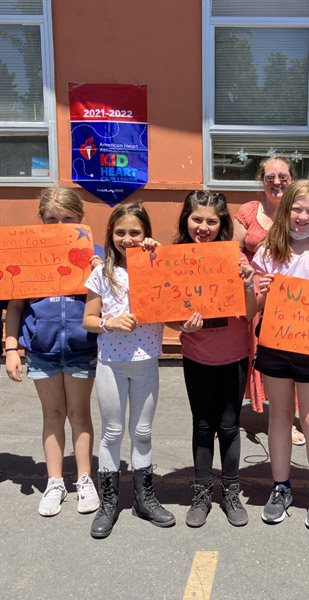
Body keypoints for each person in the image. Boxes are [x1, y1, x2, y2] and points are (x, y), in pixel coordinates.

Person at [252, 179, 309, 529]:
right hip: (275, 346)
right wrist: (257, 289)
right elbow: (255, 307)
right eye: (297, 208)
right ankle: (280, 488)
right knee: (279, 416)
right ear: (285, 210)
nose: (303, 216)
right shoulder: (267, 251)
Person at [4, 187, 101, 518]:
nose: (59, 225)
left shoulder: (94, 254)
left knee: (79, 415)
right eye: (52, 219)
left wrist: (100, 270)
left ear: (80, 219)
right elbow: (15, 307)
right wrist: (12, 347)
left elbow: (116, 294)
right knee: (52, 415)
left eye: (68, 219)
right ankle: (55, 480)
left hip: (80, 347)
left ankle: (85, 479)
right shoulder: (26, 257)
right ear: (41, 220)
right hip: (41, 350)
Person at [83, 201, 175, 538]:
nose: (127, 238)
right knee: (112, 432)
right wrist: (110, 322)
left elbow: (176, 280)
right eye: (120, 232)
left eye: (135, 232)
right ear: (110, 234)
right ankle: (109, 502)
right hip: (111, 363)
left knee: (143, 431)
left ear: (146, 234)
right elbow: (88, 320)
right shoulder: (102, 273)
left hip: (147, 360)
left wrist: (157, 253)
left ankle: (144, 498)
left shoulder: (155, 264)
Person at [170, 191, 258, 528]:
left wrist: (248, 282)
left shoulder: (235, 258)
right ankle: (202, 491)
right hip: (197, 355)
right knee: (203, 426)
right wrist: (182, 326)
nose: (203, 226)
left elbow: (250, 313)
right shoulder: (175, 256)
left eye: (211, 221)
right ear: (186, 220)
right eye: (197, 219)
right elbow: (165, 310)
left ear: (222, 224)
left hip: (233, 355)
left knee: (229, 426)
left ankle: (231, 491)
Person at [234, 156, 305, 446]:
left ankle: (285, 420)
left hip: (288, 301)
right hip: (253, 294)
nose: (276, 182)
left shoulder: (299, 211)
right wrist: (247, 273)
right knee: (247, 354)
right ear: (261, 181)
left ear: (292, 178)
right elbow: (233, 247)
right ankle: (230, 417)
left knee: (286, 361)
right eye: (270, 177)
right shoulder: (249, 210)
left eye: (283, 176)